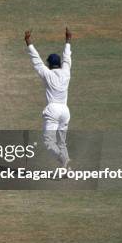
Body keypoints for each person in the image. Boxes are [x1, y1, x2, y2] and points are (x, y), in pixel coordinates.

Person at [24, 28, 72, 170]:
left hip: (53, 110)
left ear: (50, 65)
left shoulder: (48, 74)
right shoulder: (66, 73)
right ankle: (66, 170)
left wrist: (28, 42)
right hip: (65, 111)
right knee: (62, 142)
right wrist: (68, 41)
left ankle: (63, 159)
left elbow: (37, 61)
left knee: (48, 141)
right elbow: (67, 58)